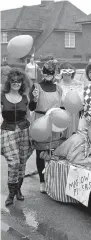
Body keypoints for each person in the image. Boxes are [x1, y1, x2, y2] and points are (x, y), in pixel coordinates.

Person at [29, 59, 63, 193]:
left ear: (54, 73)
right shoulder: (36, 87)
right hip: (40, 120)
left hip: (54, 122)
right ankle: (42, 181)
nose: (48, 74)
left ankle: (52, 179)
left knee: (53, 153)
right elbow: (31, 107)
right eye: (46, 72)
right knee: (40, 153)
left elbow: (61, 107)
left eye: (51, 72)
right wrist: (34, 99)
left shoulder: (58, 88)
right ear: (42, 72)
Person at [1, 68, 33, 206]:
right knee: (13, 162)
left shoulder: (25, 98)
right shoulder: (2, 96)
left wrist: (32, 132)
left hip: (24, 131)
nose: (16, 83)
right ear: (9, 82)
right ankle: (11, 193)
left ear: (22, 82)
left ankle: (18, 190)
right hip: (8, 130)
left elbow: (28, 114)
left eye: (19, 81)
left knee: (22, 162)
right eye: (13, 80)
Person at [58, 62, 80, 137]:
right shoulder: (57, 85)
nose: (67, 74)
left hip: (74, 115)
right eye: (64, 71)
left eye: (69, 71)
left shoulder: (78, 84)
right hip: (61, 113)